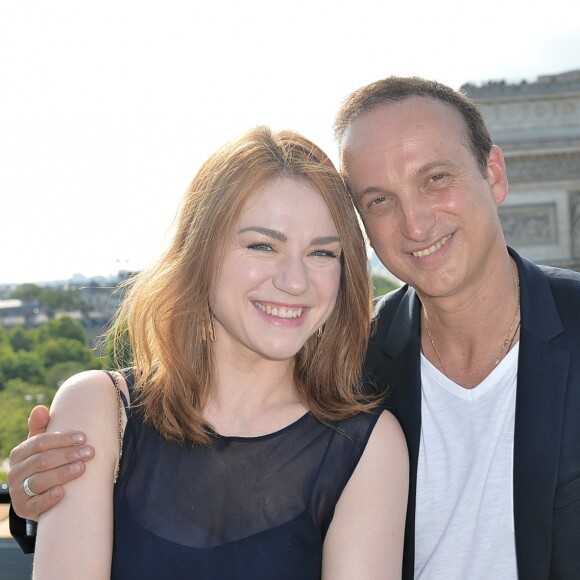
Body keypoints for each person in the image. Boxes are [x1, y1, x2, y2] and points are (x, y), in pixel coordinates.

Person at [9, 76, 580, 578]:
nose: (415, 220)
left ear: (494, 173)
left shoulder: (358, 423)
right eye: (379, 199)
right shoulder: (353, 363)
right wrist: (43, 498)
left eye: (435, 179)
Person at [9, 126, 408, 579]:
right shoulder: (98, 411)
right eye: (263, 245)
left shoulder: (366, 447)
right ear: (201, 253)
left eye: (321, 253)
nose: (295, 280)